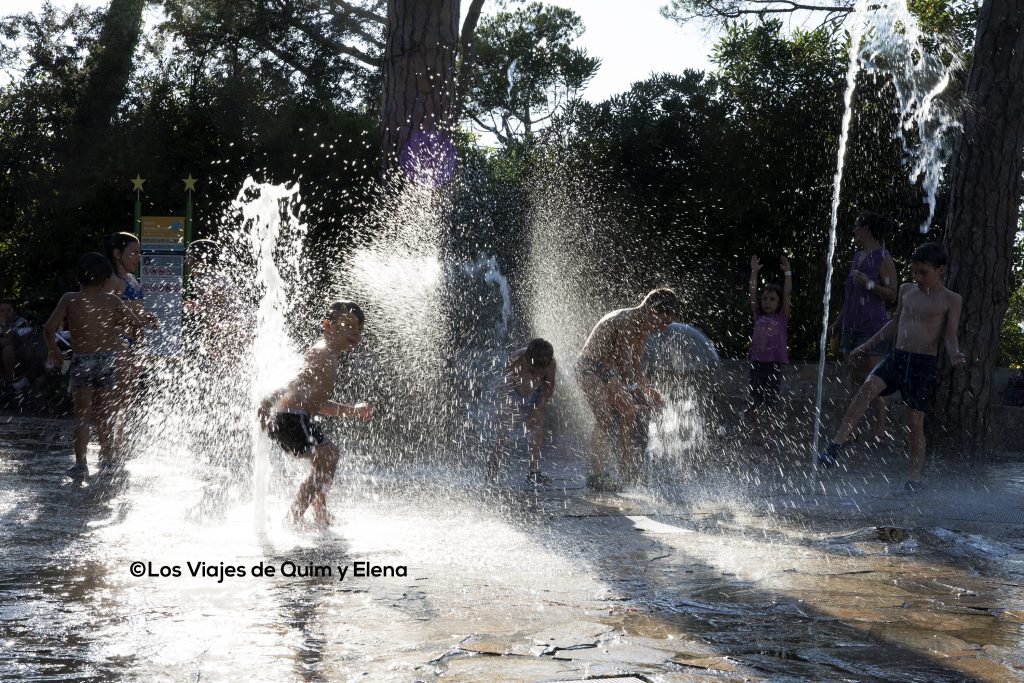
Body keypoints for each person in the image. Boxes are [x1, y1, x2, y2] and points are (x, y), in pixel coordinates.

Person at [818, 242, 966, 491]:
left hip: (923, 364)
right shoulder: (907, 290)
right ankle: (836, 444)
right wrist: (867, 345)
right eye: (914, 271)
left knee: (914, 423)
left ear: (940, 270)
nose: (917, 277)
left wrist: (955, 355)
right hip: (897, 357)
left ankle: (914, 478)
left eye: (923, 273)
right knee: (867, 388)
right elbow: (894, 324)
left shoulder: (951, 299)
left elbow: (949, 336)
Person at [259, 301, 374, 529]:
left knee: (325, 457)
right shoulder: (322, 353)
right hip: (289, 417)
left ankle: (319, 513)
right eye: (346, 324)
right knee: (327, 456)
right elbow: (292, 381)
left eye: (358, 328)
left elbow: (317, 403)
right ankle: (293, 519)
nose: (353, 332)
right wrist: (267, 401)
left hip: (294, 416)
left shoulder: (329, 355)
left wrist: (352, 411)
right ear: (327, 326)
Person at [43, 253, 148, 476]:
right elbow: (137, 324)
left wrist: (54, 350)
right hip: (106, 360)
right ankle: (109, 459)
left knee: (82, 416)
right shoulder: (112, 301)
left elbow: (48, 329)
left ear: (78, 277)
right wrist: (134, 339)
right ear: (105, 279)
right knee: (104, 414)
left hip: (83, 360)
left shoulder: (70, 299)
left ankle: (81, 465)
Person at [576, 288, 681, 489]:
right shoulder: (626, 321)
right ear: (653, 310)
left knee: (630, 412)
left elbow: (635, 366)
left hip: (607, 371)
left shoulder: (643, 327)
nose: (662, 328)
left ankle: (628, 474)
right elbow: (624, 368)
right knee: (604, 418)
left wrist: (649, 391)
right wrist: (638, 393)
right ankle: (596, 475)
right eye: (663, 321)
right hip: (589, 367)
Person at [830, 212, 899, 445]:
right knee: (855, 378)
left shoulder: (883, 257)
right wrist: (838, 322)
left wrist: (869, 284)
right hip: (851, 325)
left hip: (872, 326)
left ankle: (881, 429)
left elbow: (892, 294)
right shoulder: (857, 256)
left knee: (874, 378)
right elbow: (850, 294)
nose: (854, 229)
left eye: (857, 225)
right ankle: (853, 429)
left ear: (867, 228)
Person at [486, 338, 556, 486]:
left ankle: (533, 473)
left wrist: (539, 408)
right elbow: (504, 385)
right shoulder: (517, 358)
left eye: (540, 371)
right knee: (504, 429)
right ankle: (492, 469)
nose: (537, 374)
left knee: (537, 430)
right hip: (514, 393)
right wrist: (505, 405)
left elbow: (548, 390)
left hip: (535, 395)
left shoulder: (551, 364)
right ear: (526, 359)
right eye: (532, 370)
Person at [747, 255, 792, 440]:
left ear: (779, 302)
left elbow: (788, 293)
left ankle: (771, 433)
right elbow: (752, 292)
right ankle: (756, 430)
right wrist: (754, 272)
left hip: (773, 363)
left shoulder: (781, 316)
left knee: (771, 400)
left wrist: (788, 273)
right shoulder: (758, 315)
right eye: (765, 298)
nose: (767, 302)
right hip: (757, 362)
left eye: (772, 299)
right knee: (756, 399)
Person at [0, 298, 33, 392]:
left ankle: (12, 380)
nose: (5, 313)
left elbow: (10, 340)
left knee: (7, 348)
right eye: (2, 311)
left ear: (14, 311)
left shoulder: (20, 321)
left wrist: (4, 324)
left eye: (8, 310)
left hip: (19, 353)